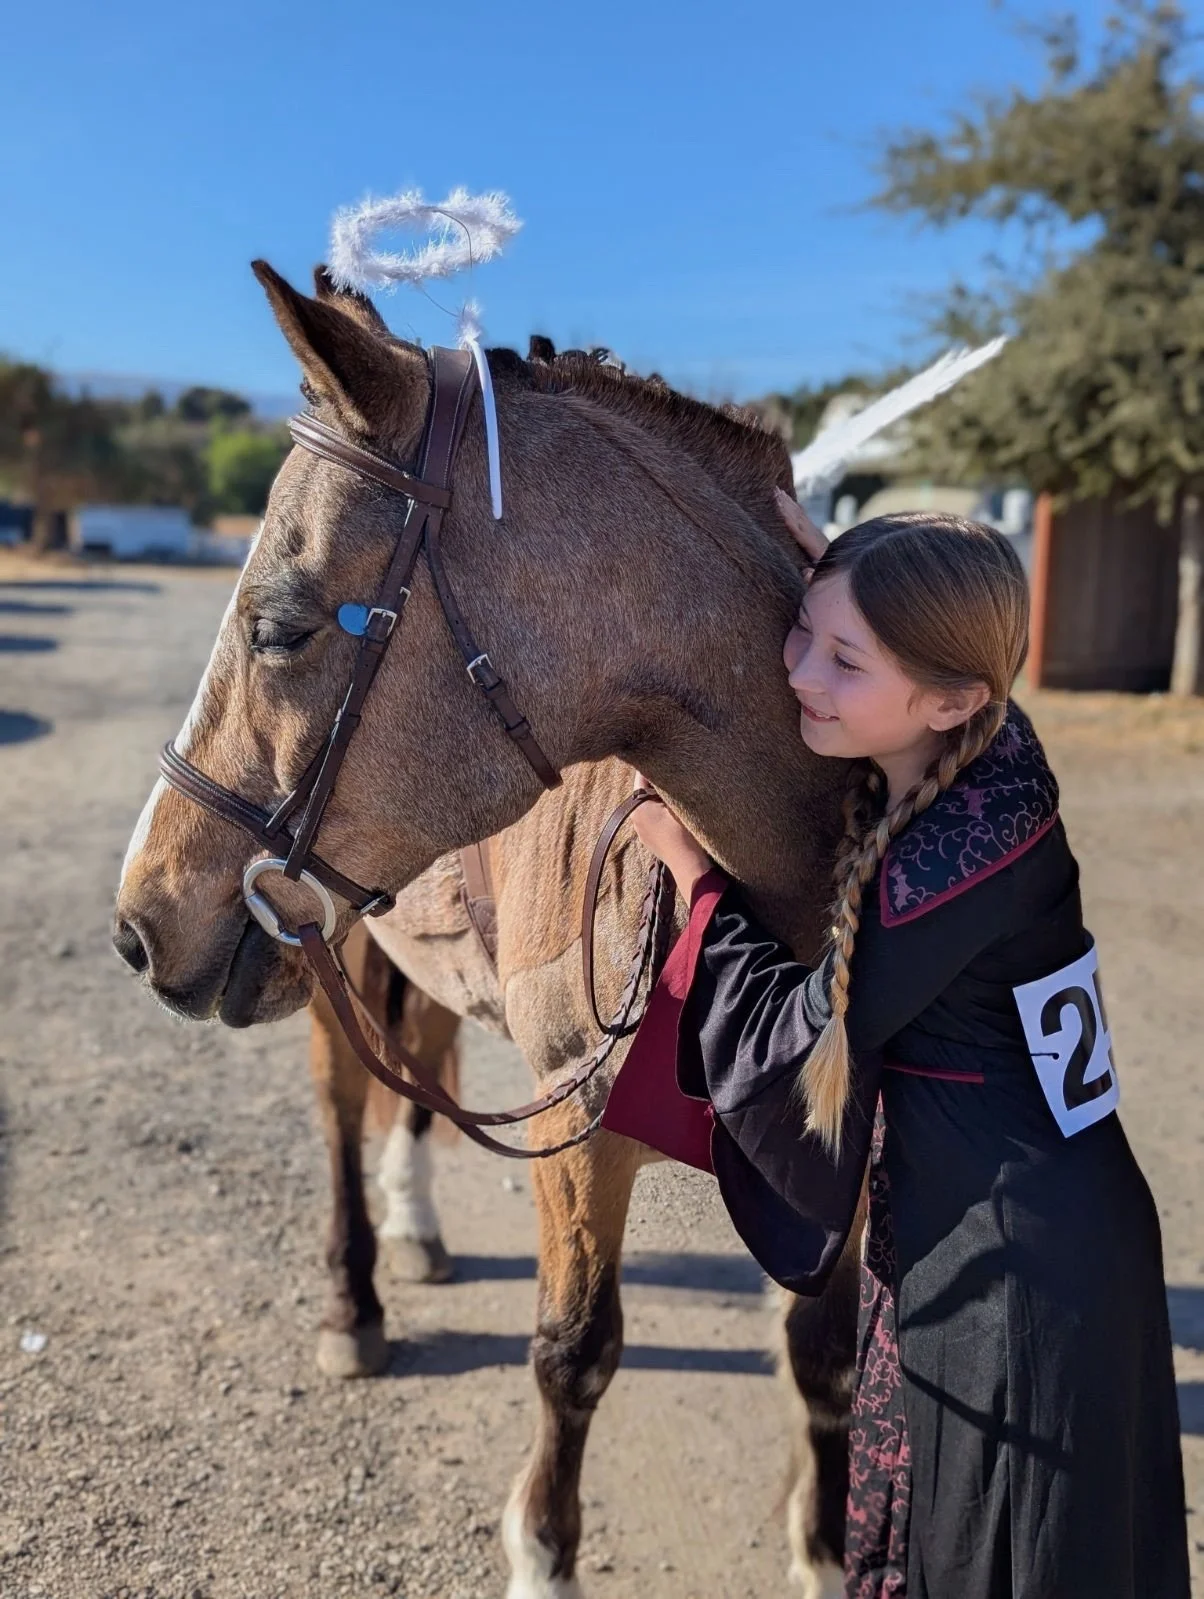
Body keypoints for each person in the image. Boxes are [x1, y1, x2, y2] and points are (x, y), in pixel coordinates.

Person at [624, 501, 1190, 1599]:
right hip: (1046, 1224)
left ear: (948, 699)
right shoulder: (998, 761)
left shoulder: (935, 874)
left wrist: (695, 882)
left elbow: (795, 1053)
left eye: (843, 659)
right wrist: (838, 562)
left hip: (1015, 1280)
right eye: (803, 632)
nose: (799, 672)